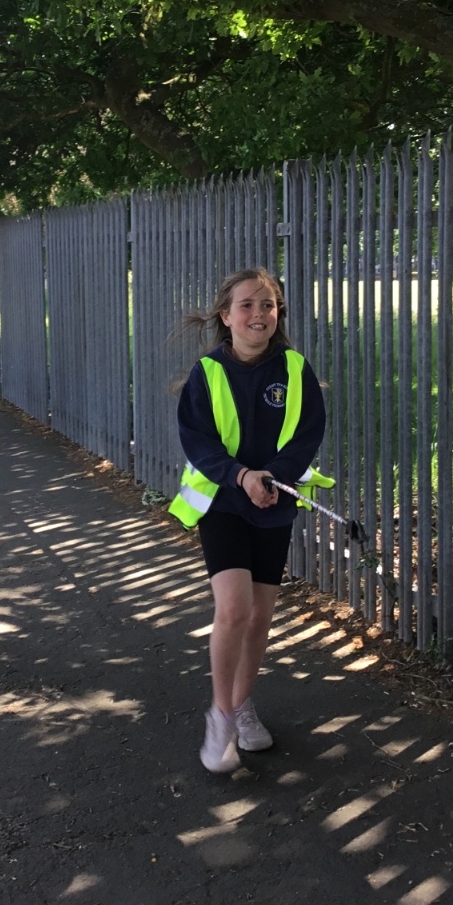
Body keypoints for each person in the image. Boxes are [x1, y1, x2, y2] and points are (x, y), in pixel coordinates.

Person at [171, 267, 329, 774]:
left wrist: (272, 478)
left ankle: (242, 705)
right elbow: (198, 441)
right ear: (225, 315)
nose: (259, 314)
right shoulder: (207, 372)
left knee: (261, 616)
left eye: (268, 305)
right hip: (223, 503)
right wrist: (241, 477)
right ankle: (220, 715)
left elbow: (307, 434)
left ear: (278, 314)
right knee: (234, 610)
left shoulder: (295, 369)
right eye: (247, 305)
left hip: (273, 503)